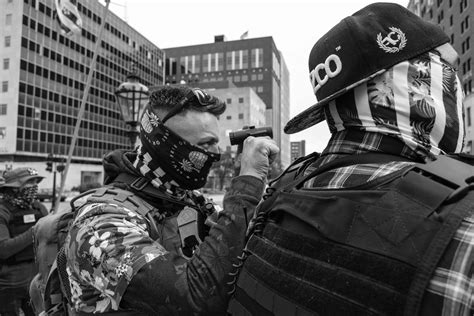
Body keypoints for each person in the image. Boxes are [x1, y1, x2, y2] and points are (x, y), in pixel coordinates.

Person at [227, 2, 473, 316]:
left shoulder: (280, 191)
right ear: (416, 78)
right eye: (450, 67)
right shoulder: (464, 223)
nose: (457, 81)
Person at [55, 86, 279, 315]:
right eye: (205, 144)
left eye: (216, 142)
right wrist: (247, 182)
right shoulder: (99, 223)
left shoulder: (188, 200)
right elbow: (193, 300)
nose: (217, 153)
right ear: (164, 143)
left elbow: (236, 244)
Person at [0, 168, 48, 316]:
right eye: (30, 182)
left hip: (38, 277)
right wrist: (35, 230)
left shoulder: (39, 208)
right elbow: (4, 249)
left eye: (36, 182)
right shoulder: (3, 211)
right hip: (10, 281)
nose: (34, 186)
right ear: (14, 187)